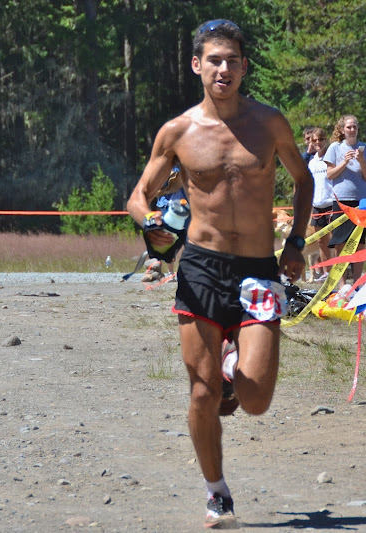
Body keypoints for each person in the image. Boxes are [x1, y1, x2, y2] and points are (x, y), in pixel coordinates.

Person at [127, 19, 313, 528]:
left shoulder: (270, 124)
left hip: (258, 267)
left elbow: (303, 178)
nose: (223, 69)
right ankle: (217, 493)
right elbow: (138, 198)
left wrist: (295, 241)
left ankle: (236, 372)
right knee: (202, 394)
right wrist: (156, 229)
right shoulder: (179, 131)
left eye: (232, 60)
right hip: (202, 269)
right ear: (197, 65)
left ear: (244, 66)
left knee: (254, 400)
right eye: (214, 60)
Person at [324, 115, 366, 288]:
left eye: (354, 126)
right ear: (342, 129)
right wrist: (345, 161)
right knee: (340, 243)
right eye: (349, 127)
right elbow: (329, 175)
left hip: (361, 201)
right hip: (341, 201)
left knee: (360, 244)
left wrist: (361, 161)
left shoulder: (363, 147)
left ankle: (356, 284)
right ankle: (342, 286)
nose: (352, 130)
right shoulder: (335, 147)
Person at [308, 128, 333, 282]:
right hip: (317, 205)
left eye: (321, 139)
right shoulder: (312, 162)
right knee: (321, 240)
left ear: (326, 140)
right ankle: (326, 272)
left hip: (331, 203)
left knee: (336, 240)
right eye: (315, 140)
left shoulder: (332, 157)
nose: (318, 142)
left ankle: (339, 273)